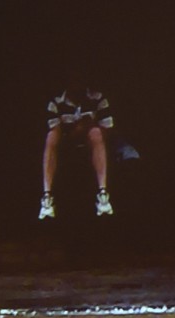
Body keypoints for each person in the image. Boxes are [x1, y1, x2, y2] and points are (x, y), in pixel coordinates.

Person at [39, 70, 115, 220]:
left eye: (80, 80)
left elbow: (108, 129)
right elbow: (56, 130)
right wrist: (76, 130)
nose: (77, 84)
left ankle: (103, 195)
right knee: (51, 136)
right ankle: (47, 197)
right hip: (66, 145)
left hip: (91, 146)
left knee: (96, 133)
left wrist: (88, 127)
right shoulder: (56, 102)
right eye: (73, 80)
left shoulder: (98, 98)